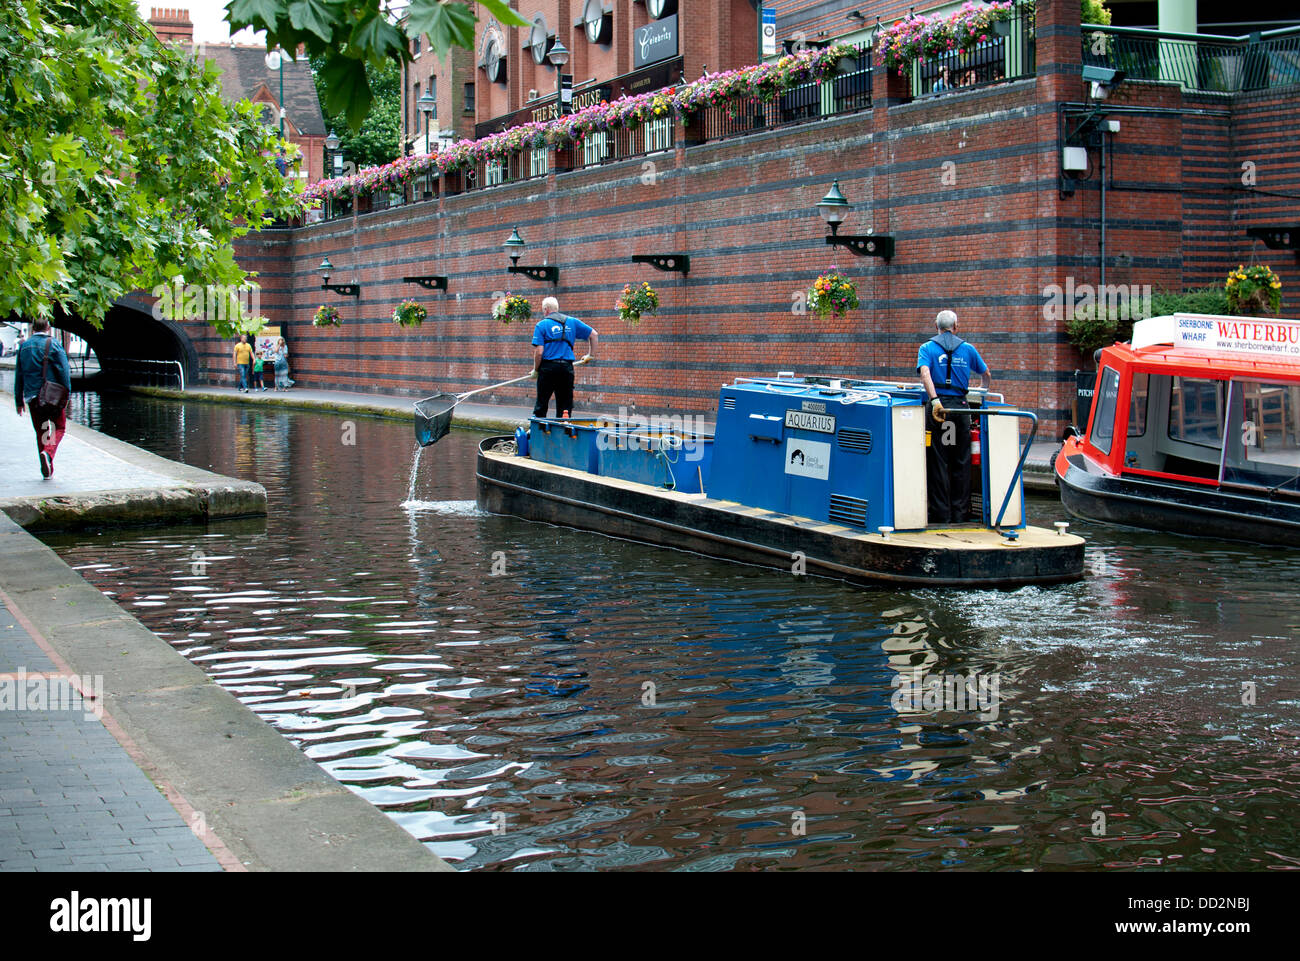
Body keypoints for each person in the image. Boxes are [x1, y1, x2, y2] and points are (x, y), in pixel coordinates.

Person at [917, 309, 991, 524]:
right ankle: (960, 513)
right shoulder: (967, 348)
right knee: (961, 460)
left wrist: (935, 400)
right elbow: (986, 375)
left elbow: (925, 374)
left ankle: (941, 514)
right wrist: (981, 393)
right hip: (961, 408)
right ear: (956, 327)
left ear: (935, 326)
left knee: (938, 460)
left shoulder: (927, 348)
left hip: (939, 409)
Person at [13, 318, 72, 478]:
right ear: (48, 327)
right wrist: (67, 395)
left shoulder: (24, 347)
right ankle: (48, 453)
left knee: (42, 431)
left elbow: (19, 375)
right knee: (59, 427)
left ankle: (47, 471)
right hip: (51, 396)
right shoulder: (53, 344)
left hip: (32, 397)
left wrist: (19, 400)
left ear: (32, 328)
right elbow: (64, 371)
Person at [530, 296, 597, 418]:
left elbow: (539, 352)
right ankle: (563, 431)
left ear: (546, 309)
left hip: (548, 368)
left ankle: (539, 432)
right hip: (566, 369)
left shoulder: (541, 325)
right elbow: (594, 335)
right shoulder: (572, 322)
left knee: (542, 403)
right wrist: (590, 355)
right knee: (565, 406)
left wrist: (536, 370)